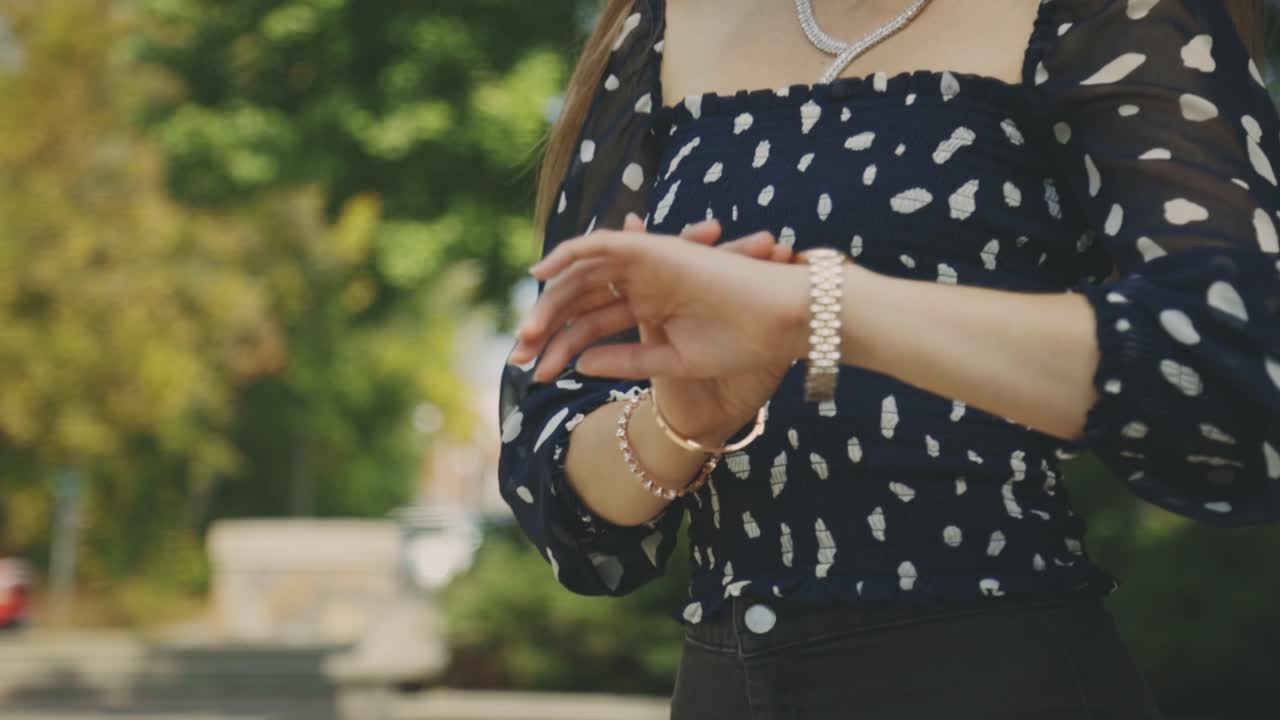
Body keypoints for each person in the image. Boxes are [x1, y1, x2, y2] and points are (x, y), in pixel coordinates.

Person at [498, 0, 1280, 717]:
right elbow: (560, 491)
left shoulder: (1109, 12)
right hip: (721, 687)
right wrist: (681, 422)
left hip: (996, 680)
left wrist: (821, 310)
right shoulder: (659, 24)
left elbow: (1238, 365)